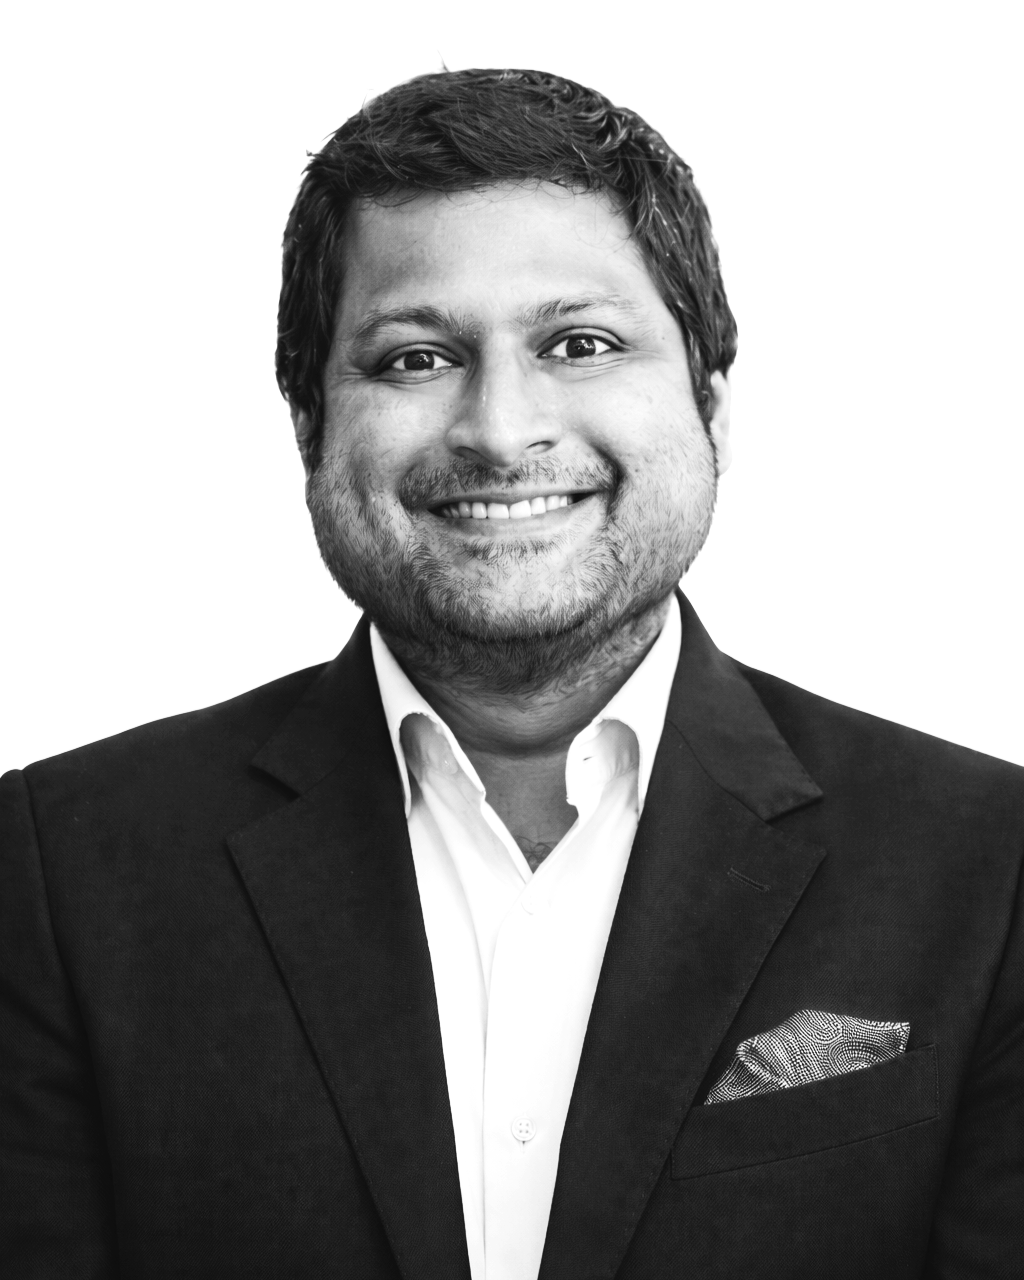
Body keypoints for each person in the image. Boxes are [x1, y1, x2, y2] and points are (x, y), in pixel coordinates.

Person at [1, 67, 1021, 1280]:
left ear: (711, 402)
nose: (498, 426)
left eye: (579, 343)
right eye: (415, 357)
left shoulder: (988, 866)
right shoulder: (58, 869)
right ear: (306, 424)